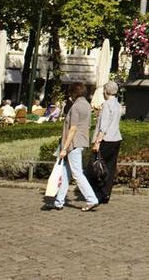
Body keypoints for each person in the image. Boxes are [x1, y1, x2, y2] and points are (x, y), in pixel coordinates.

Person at [47, 83, 98, 212]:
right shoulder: (86, 104)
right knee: (65, 172)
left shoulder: (76, 107)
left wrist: (64, 147)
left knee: (76, 173)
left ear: (74, 93)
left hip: (73, 143)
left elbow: (73, 128)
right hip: (80, 142)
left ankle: (91, 198)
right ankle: (59, 201)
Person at [91, 81, 122, 205]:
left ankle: (97, 194)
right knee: (110, 166)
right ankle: (106, 193)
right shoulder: (118, 104)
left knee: (96, 167)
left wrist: (97, 142)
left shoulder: (107, 105)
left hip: (106, 139)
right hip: (116, 138)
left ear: (105, 92)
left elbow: (103, 126)